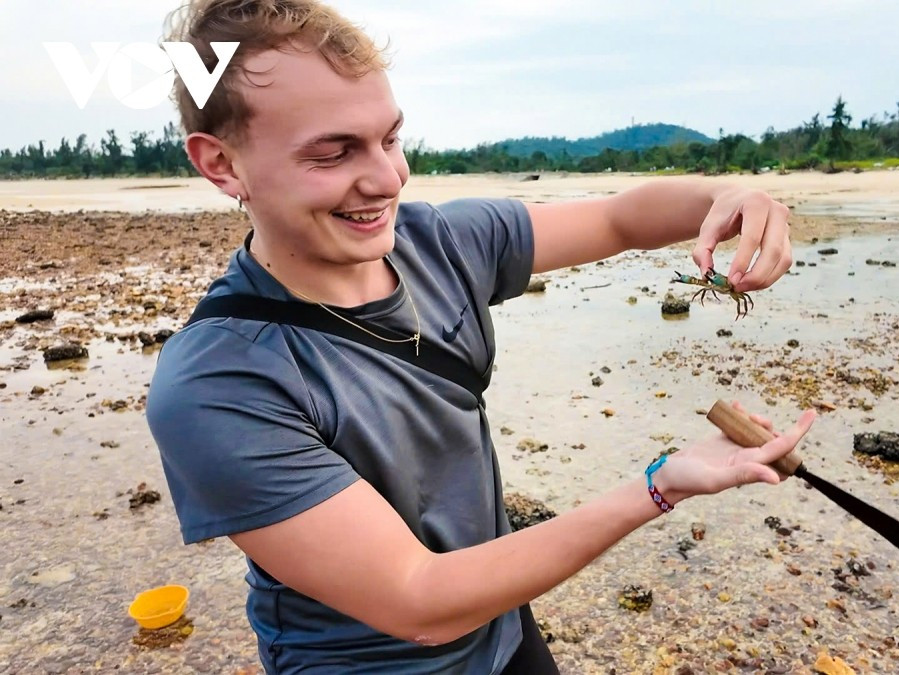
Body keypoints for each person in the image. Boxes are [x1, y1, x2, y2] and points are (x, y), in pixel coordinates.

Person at [146, 1, 818, 673]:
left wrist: (729, 199)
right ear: (222, 165)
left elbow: (619, 220)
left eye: (390, 138)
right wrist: (661, 483)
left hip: (501, 630)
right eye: (333, 151)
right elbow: (418, 600)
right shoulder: (217, 385)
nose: (388, 179)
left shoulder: (439, 244)